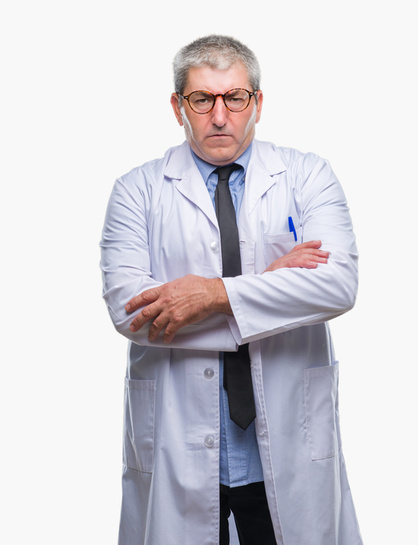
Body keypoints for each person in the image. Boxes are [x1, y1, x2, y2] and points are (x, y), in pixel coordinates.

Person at [100, 35, 363, 545]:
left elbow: (337, 284)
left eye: (235, 98)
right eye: (203, 100)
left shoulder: (308, 176)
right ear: (179, 106)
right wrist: (272, 282)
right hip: (179, 443)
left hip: (285, 445)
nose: (220, 117)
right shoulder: (137, 190)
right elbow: (132, 312)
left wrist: (211, 294)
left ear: (257, 103)